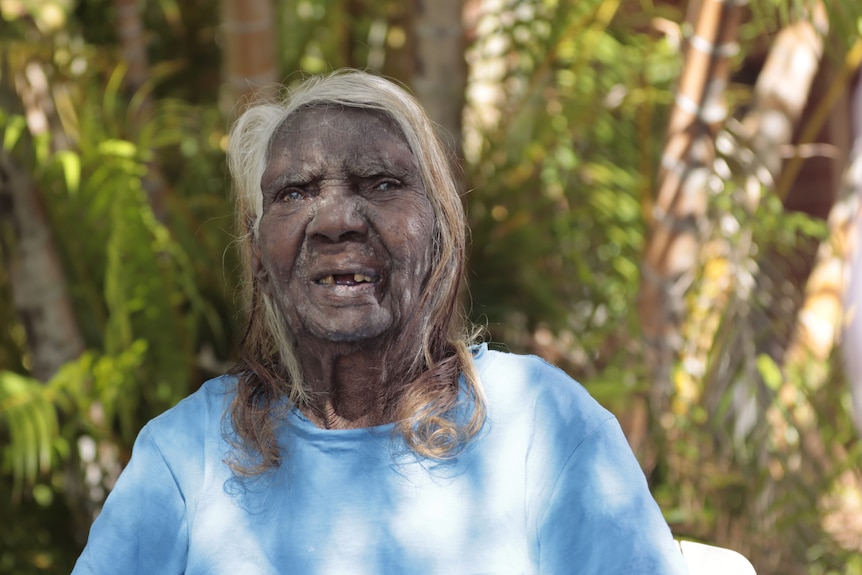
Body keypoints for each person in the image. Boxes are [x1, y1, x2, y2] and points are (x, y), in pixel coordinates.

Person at [72, 69, 688, 574]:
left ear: (441, 234)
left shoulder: (541, 426)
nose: (335, 218)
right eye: (294, 192)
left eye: (383, 183)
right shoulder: (187, 454)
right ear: (258, 254)